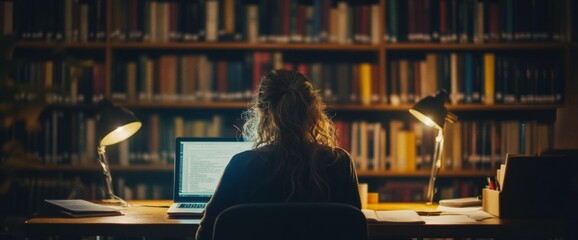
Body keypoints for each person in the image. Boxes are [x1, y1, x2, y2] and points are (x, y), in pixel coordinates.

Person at [195, 69, 361, 240]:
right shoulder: (339, 163)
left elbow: (207, 233)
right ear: (314, 110)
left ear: (262, 111)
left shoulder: (242, 165)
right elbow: (354, 229)